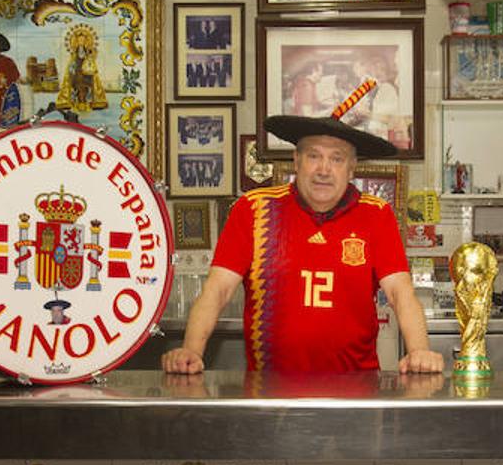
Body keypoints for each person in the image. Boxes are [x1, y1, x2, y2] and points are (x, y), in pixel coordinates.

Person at [162, 87, 443, 376]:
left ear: (351, 169)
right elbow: (217, 289)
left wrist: (419, 350)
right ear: (296, 161)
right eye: (313, 156)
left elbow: (401, 293)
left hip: (356, 390)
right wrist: (191, 351)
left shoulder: (376, 214)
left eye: (337, 159)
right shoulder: (253, 209)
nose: (324, 169)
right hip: (268, 389)